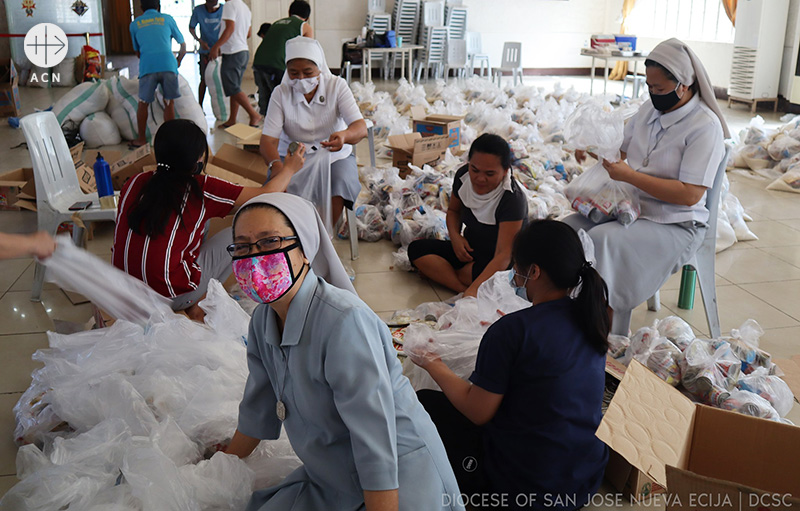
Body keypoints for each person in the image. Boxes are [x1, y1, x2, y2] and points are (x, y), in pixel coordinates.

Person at [223, 192, 464, 511]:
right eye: (243, 246)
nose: (254, 258)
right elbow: (260, 405)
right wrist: (219, 464)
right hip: (333, 475)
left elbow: (375, 439)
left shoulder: (343, 323)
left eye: (269, 243)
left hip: (398, 481)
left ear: (305, 250)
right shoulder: (263, 321)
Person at [410, 220, 610, 511]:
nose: (514, 278)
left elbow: (478, 412)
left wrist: (431, 362)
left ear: (535, 272)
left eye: (517, 267)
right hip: (584, 476)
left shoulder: (513, 329)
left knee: (425, 403)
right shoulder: (592, 317)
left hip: (528, 488)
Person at [565, 38, 728, 332]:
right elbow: (620, 149)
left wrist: (629, 176)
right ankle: (564, 317)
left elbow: (690, 194)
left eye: (660, 89)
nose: (653, 94)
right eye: (649, 87)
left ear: (684, 84)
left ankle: (606, 335)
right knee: (565, 232)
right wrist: (593, 146)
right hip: (631, 208)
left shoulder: (704, 126)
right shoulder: (648, 112)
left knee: (603, 242)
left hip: (675, 222)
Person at [112, 119, 306, 321]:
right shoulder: (199, 188)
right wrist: (290, 168)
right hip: (171, 297)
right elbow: (267, 193)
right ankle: (198, 304)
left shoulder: (135, 181)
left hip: (126, 293)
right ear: (197, 159)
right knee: (241, 235)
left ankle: (193, 296)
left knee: (200, 222)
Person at [260, 37, 366, 230]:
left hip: (333, 155)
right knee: (275, 191)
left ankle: (321, 235)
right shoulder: (281, 93)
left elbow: (359, 127)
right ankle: (290, 236)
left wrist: (344, 136)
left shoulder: (337, 86)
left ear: (320, 67)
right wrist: (277, 166)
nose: (301, 79)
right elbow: (268, 141)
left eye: (308, 72)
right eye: (294, 73)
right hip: (292, 157)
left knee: (340, 182)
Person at [408, 134, 528, 298]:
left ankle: (457, 280)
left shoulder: (512, 199)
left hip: (501, 261)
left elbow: (503, 255)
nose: (480, 178)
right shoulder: (463, 176)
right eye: (475, 169)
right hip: (470, 248)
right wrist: (456, 238)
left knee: (468, 273)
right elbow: (453, 212)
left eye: (490, 174)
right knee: (416, 250)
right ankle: (464, 289)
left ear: (505, 171)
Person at [129, 0, 187, 148]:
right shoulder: (168, 19)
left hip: (148, 67)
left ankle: (141, 139)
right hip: (168, 65)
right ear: (158, 7)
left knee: (143, 104)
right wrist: (178, 61)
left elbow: (137, 51)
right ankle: (171, 140)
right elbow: (183, 45)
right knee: (169, 103)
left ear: (141, 8)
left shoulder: (135, 24)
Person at [252, 0, 313, 117]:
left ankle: (265, 127)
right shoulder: (304, 26)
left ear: (289, 12)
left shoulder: (276, 23)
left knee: (266, 102)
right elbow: (308, 52)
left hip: (258, 62)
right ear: (307, 17)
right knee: (283, 101)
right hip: (277, 66)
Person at [208, 0, 261, 128]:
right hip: (243, 51)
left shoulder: (229, 5)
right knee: (234, 87)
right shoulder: (245, 8)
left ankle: (254, 115)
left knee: (232, 88)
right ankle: (232, 119)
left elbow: (230, 28)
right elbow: (248, 33)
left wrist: (216, 46)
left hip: (233, 52)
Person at [189, 0, 223, 108]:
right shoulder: (198, 10)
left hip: (221, 51)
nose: (212, 9)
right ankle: (200, 105)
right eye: (210, 6)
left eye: (214, 6)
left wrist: (221, 46)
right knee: (203, 79)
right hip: (205, 51)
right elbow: (191, 27)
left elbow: (229, 29)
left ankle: (223, 105)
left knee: (222, 79)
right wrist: (199, 41)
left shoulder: (224, 10)